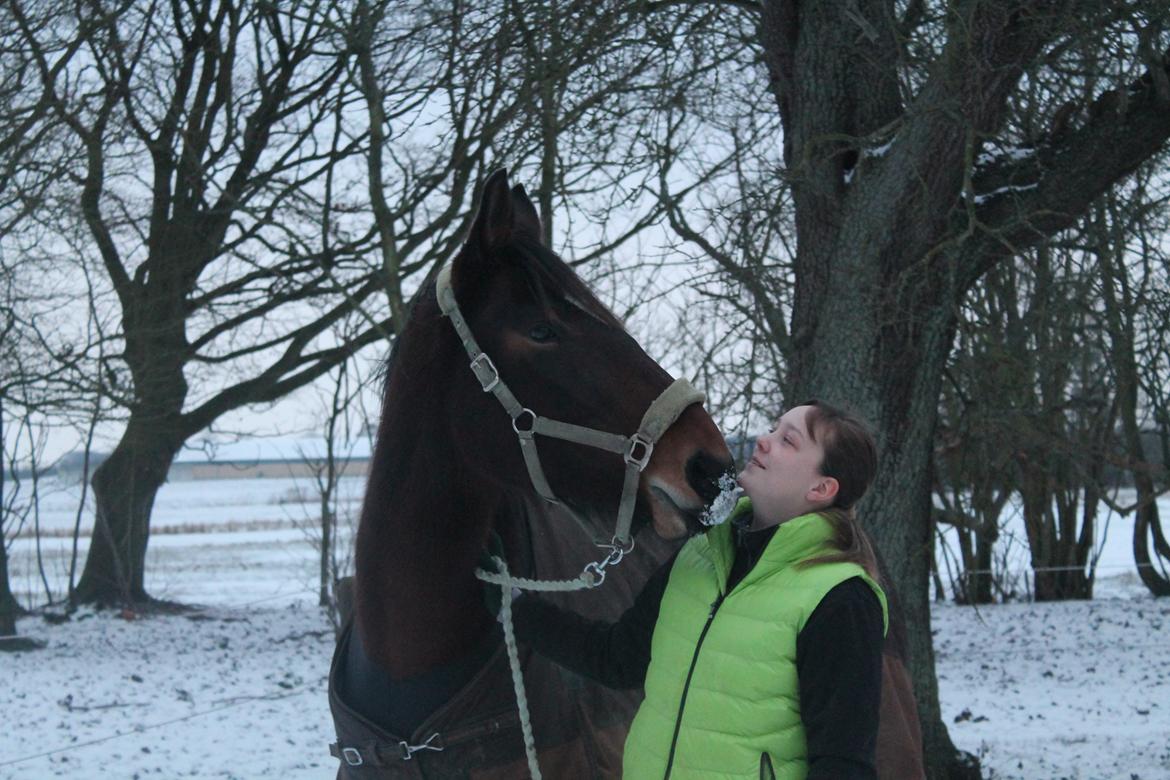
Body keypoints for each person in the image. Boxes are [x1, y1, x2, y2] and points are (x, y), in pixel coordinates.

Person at [509, 399, 888, 779]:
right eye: (772, 428)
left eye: (788, 440)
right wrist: (515, 611)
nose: (763, 441)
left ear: (821, 487)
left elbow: (843, 766)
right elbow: (617, 658)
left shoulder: (841, 599)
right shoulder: (698, 557)